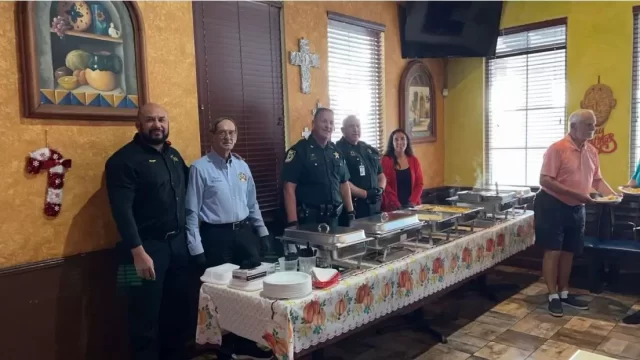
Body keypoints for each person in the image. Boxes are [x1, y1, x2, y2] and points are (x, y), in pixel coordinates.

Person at [105, 103, 192, 360]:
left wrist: (225, 160)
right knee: (143, 321)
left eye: (162, 119)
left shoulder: (173, 155)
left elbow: (193, 185)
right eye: (150, 120)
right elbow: (121, 211)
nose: (157, 125)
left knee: (177, 316)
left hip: (177, 247)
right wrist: (137, 251)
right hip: (140, 251)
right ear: (138, 125)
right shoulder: (122, 161)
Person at [185, 116, 272, 360]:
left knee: (249, 291)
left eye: (232, 132)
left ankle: (247, 342)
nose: (227, 137)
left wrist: (262, 231)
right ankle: (225, 348)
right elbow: (192, 212)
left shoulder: (242, 167)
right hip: (216, 236)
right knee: (222, 295)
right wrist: (196, 248)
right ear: (212, 136)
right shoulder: (200, 168)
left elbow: (252, 203)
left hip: (244, 234)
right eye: (222, 132)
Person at [536, 109, 617, 318]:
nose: (594, 129)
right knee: (553, 250)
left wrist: (614, 196)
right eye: (589, 125)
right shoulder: (557, 148)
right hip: (552, 204)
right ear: (573, 126)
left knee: (570, 250)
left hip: (577, 206)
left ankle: (564, 292)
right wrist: (577, 194)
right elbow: (545, 180)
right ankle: (552, 295)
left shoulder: (592, 151)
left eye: (594, 125)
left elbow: (597, 181)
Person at [282, 108, 355, 229]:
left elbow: (344, 183)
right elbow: (288, 189)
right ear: (313, 123)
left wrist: (351, 212)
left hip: (335, 219)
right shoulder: (299, 151)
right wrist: (292, 224)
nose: (328, 126)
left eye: (331, 123)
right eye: (324, 121)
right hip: (310, 220)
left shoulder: (336, 151)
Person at [336, 115, 386, 221]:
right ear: (343, 130)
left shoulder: (367, 149)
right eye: (351, 126)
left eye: (358, 126)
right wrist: (365, 194)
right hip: (354, 207)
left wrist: (380, 189)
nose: (355, 129)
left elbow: (381, 175)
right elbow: (343, 182)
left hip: (374, 205)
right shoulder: (338, 151)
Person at [381, 129, 424, 211]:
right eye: (396, 140)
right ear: (392, 143)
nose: (399, 142)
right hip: (393, 208)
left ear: (407, 141)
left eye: (402, 139)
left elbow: (419, 184)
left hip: (413, 207)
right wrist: (397, 204)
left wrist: (412, 202)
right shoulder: (386, 160)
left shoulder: (414, 160)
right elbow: (386, 186)